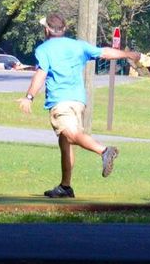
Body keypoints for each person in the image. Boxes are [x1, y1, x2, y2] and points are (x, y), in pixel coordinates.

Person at [17, 12, 141, 198]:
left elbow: (41, 74)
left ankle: (104, 151)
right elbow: (105, 52)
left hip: (61, 101)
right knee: (65, 142)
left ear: (46, 30)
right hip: (78, 101)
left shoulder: (43, 49)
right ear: (64, 28)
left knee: (70, 134)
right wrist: (128, 54)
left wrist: (29, 97)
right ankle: (65, 187)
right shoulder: (78, 46)